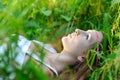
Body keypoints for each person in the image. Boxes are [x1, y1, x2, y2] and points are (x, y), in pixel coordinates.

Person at [0, 29, 103, 76]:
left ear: (82, 57)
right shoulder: (49, 48)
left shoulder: (44, 73)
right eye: (86, 30)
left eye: (87, 37)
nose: (78, 30)